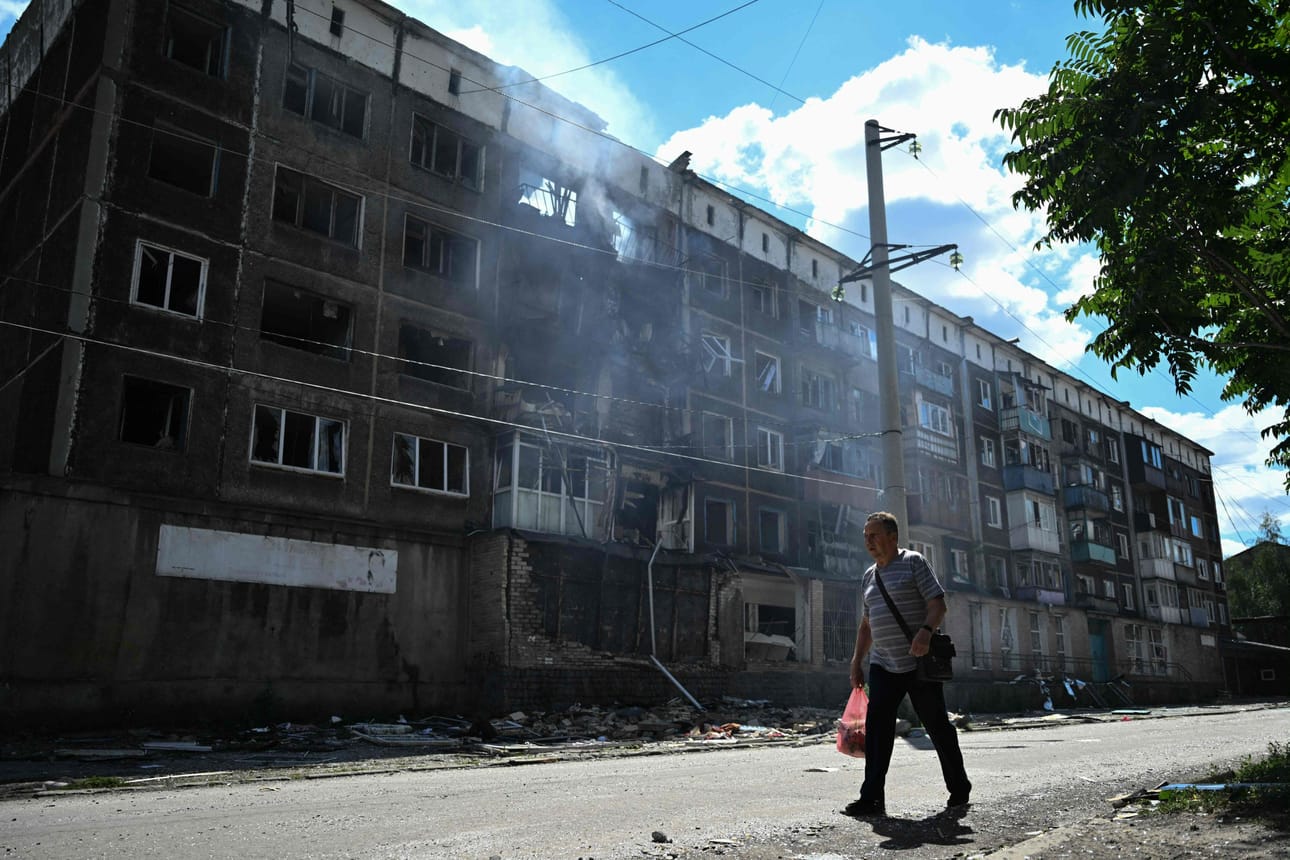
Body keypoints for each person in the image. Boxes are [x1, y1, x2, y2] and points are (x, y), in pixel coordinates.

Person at [844, 511, 971, 817]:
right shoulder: (868, 577)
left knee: (937, 726)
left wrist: (926, 633)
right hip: (883, 664)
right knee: (877, 732)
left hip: (918, 664)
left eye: (874, 535)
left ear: (892, 537)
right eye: (865, 536)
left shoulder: (914, 562)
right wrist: (856, 662)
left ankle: (959, 788)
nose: (869, 541)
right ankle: (871, 797)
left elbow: (938, 604)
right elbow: (866, 625)